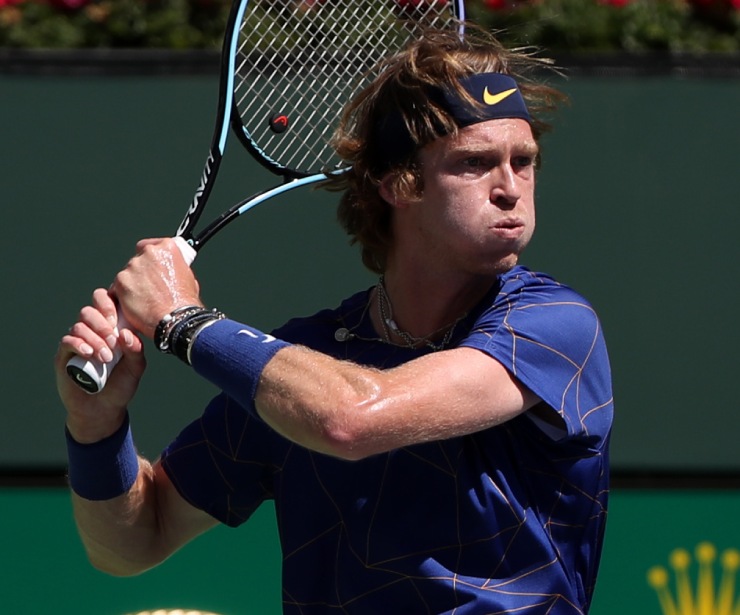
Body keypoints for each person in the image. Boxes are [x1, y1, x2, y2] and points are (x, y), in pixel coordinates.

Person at [55, 27, 613, 614]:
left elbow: (350, 419)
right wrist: (95, 426)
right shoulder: (299, 370)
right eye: (474, 163)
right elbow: (133, 543)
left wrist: (182, 320)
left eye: (524, 162)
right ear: (400, 184)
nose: (511, 189)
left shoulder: (554, 324)